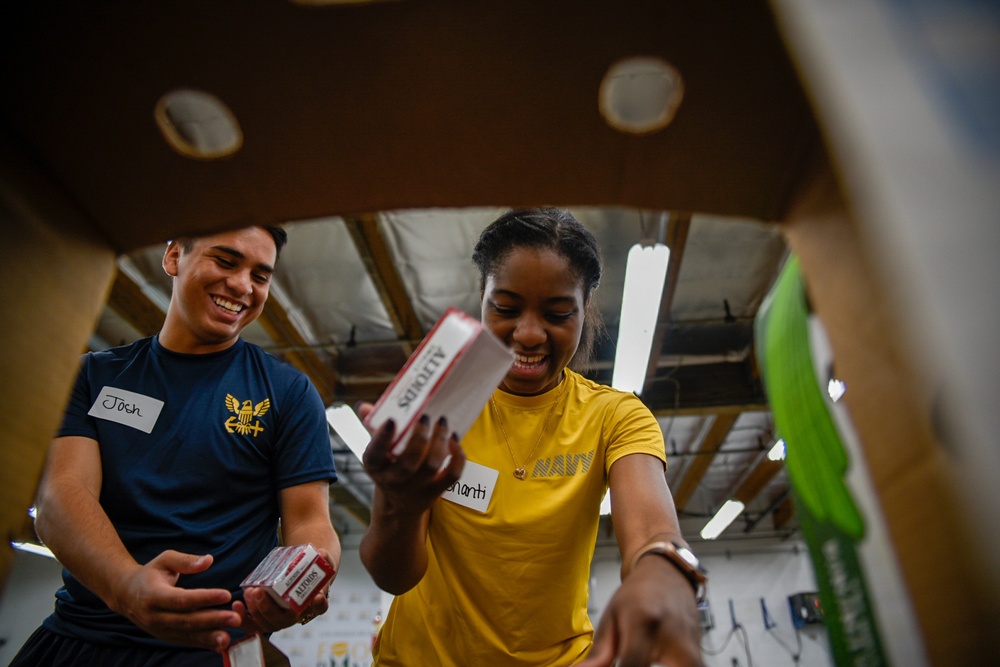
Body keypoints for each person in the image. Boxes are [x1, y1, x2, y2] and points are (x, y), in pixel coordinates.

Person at [357, 209, 704, 666]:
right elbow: (394, 576)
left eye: (558, 313)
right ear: (481, 299)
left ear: (584, 312)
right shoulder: (436, 409)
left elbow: (652, 533)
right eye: (505, 308)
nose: (528, 333)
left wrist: (664, 569)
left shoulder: (615, 416)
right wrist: (397, 504)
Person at [10, 225, 341, 666]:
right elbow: (60, 494)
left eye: (260, 276)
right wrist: (127, 587)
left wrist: (307, 575)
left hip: (217, 647)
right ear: (173, 258)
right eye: (225, 261)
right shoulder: (92, 377)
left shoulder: (288, 392)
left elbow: (310, 522)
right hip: (82, 637)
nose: (242, 285)